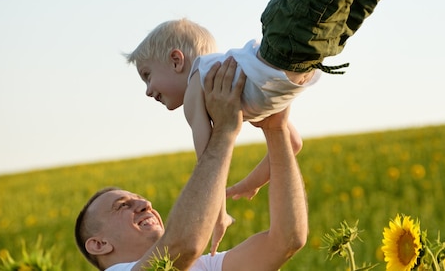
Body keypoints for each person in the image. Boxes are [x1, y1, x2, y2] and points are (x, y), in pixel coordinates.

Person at [126, 0, 408, 252]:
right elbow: (291, 144)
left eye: (146, 76)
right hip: (315, 54)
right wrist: (249, 184)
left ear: (176, 60)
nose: (147, 91)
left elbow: (207, 158)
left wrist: (219, 203)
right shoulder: (242, 103)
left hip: (286, 44)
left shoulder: (199, 90)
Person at [75, 58, 308, 271]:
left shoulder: (204, 266)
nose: (145, 203)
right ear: (98, 244)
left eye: (137, 199)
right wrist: (224, 131)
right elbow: (182, 246)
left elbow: (285, 241)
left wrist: (276, 129)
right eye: (121, 205)